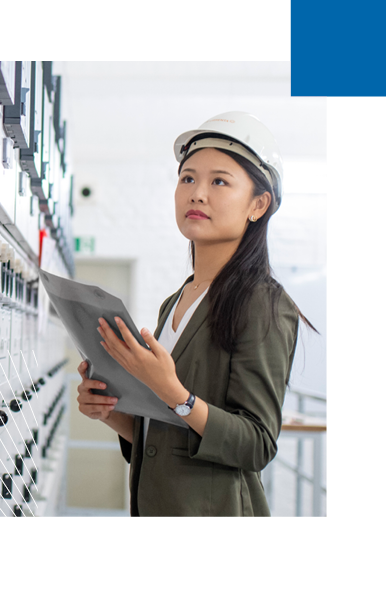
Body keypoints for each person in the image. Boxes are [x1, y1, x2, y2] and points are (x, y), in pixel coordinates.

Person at [76, 111, 318, 517]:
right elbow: (165, 437)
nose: (197, 193)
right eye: (188, 178)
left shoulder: (264, 303)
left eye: (219, 181)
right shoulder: (175, 301)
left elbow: (257, 443)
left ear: (258, 205)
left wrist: (174, 392)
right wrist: (112, 413)